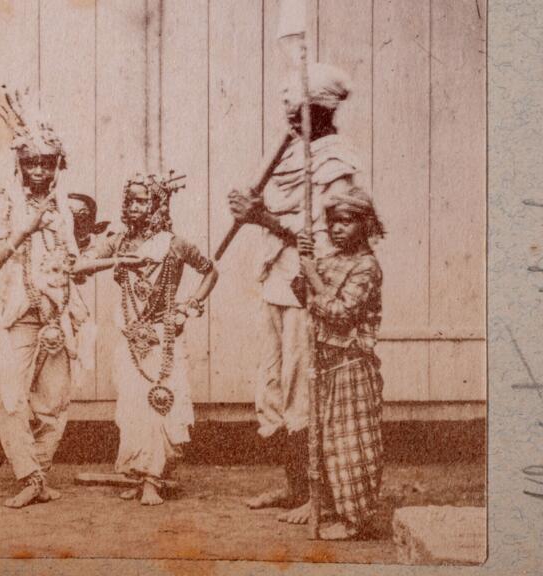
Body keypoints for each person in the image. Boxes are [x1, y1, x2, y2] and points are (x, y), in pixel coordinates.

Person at [228, 62, 361, 524]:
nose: (287, 114)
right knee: (274, 386)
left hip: (311, 288)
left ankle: (319, 497)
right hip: (276, 282)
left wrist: (260, 218)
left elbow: (331, 238)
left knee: (306, 388)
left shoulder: (335, 162)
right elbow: (281, 217)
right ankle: (293, 487)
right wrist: (251, 209)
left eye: (296, 107)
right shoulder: (290, 152)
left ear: (319, 110)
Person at [74, 173, 218, 505]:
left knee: (160, 404)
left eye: (142, 200)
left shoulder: (175, 243)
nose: (134, 206)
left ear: (157, 205)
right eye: (130, 200)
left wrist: (188, 308)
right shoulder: (120, 241)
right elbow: (82, 267)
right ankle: (140, 474)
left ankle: (154, 479)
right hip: (130, 339)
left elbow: (211, 271)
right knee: (133, 408)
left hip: (163, 338)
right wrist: (108, 252)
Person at [0, 88, 93, 508]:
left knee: (55, 402)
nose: (39, 172)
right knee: (10, 398)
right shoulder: (0, 203)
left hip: (57, 318)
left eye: (47, 163)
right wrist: (24, 230)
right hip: (16, 316)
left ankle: (39, 474)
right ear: (19, 164)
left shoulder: (64, 207)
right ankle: (28, 475)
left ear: (57, 165)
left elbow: (72, 262)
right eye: (31, 163)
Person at [296, 186, 385, 540]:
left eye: (346, 222)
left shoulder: (367, 267)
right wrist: (305, 263)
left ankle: (355, 520)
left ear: (365, 225)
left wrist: (314, 279)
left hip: (351, 365)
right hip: (325, 364)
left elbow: (341, 315)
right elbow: (301, 293)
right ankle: (324, 505)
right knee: (323, 440)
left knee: (351, 443)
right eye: (333, 222)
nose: (336, 229)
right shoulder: (331, 260)